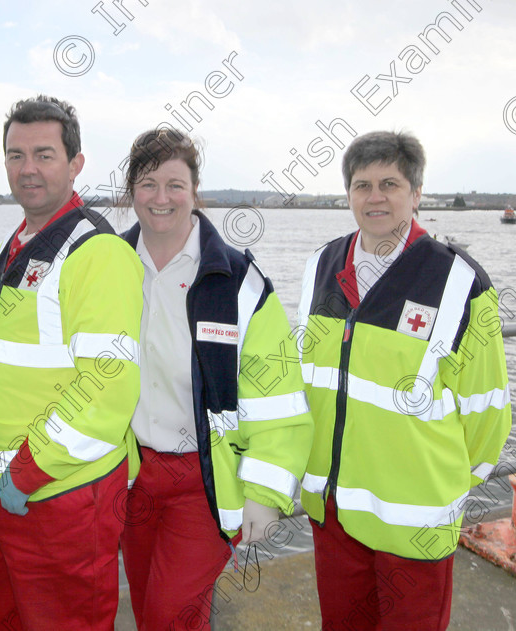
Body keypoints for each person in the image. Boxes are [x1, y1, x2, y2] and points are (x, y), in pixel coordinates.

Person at [0, 95, 143, 630]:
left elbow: (108, 386)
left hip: (58, 491)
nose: (27, 168)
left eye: (44, 154)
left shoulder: (97, 253)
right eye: (15, 155)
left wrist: (27, 472)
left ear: (75, 164)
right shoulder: (16, 247)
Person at [298, 131, 512, 630]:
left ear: (415, 195)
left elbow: (487, 412)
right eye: (362, 185)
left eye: (390, 183)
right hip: (335, 512)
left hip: (415, 520)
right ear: (348, 195)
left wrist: (442, 488)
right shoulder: (321, 266)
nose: (375, 197)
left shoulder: (460, 282)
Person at [118, 128, 314, 629]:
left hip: (203, 481)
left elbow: (277, 395)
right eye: (147, 184)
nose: (161, 198)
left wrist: (265, 493)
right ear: (130, 191)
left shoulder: (238, 282)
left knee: (169, 614)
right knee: (146, 606)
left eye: (174, 184)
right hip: (130, 474)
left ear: (195, 191)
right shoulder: (108, 265)